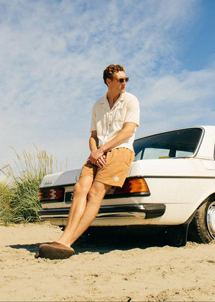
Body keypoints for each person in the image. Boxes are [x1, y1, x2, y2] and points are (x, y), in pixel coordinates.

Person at [37, 64, 140, 260]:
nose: (125, 82)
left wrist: (102, 149)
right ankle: (64, 240)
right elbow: (93, 135)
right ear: (109, 82)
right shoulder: (98, 106)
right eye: (121, 80)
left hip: (120, 150)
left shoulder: (131, 101)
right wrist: (95, 152)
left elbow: (128, 131)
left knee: (95, 193)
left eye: (126, 79)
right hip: (97, 153)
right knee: (79, 188)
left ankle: (66, 242)